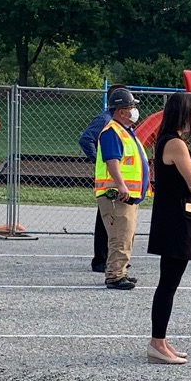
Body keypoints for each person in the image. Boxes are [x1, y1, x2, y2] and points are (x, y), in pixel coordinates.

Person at [147, 91, 191, 365]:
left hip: (172, 216)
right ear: (183, 113)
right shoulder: (175, 143)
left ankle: (161, 341)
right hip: (176, 219)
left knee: (168, 282)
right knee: (168, 284)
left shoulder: (168, 140)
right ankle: (157, 343)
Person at [93, 86, 147, 290]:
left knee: (126, 235)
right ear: (121, 110)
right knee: (119, 237)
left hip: (128, 195)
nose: (134, 110)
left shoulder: (125, 132)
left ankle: (121, 271)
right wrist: (122, 185)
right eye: (131, 106)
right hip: (116, 195)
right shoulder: (112, 132)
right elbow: (112, 161)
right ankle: (115, 276)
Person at [80, 102, 112, 272]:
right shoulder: (105, 120)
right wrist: (98, 159)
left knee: (113, 217)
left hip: (117, 175)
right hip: (107, 176)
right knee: (105, 217)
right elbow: (85, 139)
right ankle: (101, 259)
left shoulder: (118, 124)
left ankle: (112, 258)